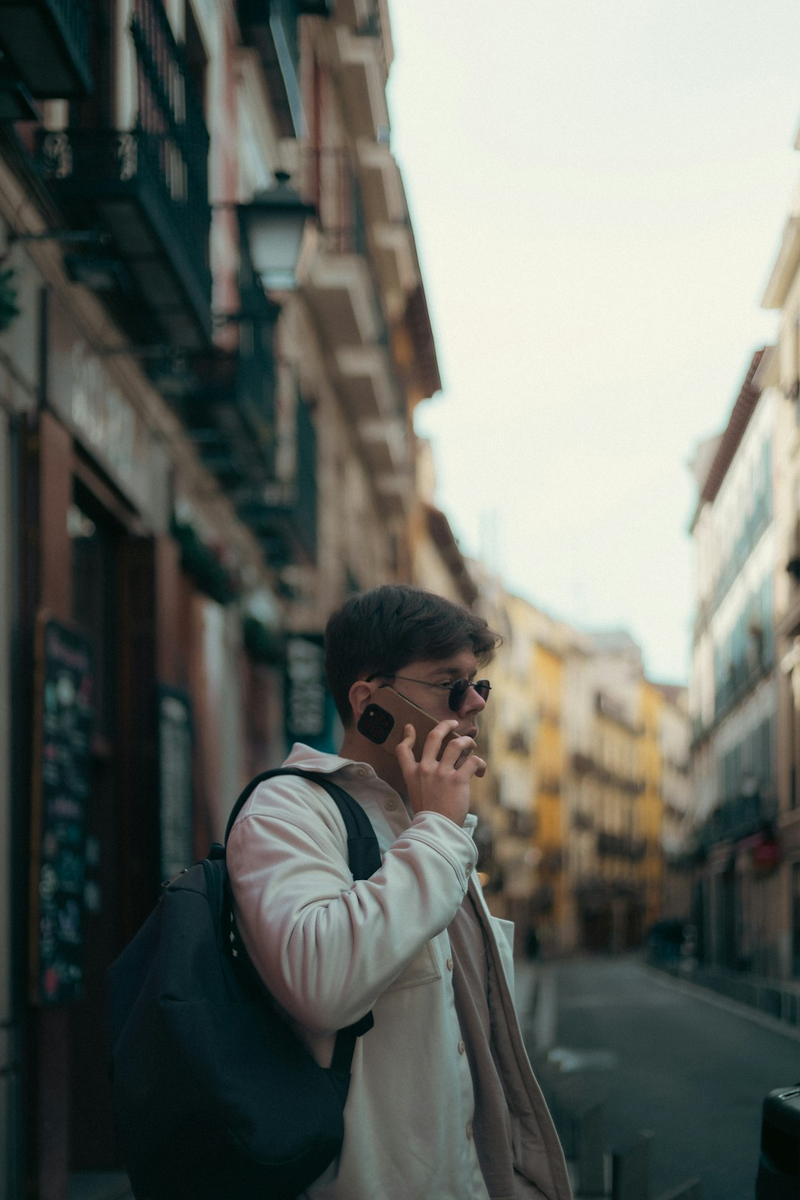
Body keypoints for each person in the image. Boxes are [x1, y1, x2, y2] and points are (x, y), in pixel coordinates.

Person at [227, 585, 572, 1200]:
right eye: (449, 684)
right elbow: (322, 982)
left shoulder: (421, 821)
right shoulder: (287, 809)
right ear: (371, 702)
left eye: (478, 685)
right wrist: (437, 829)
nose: (473, 705)